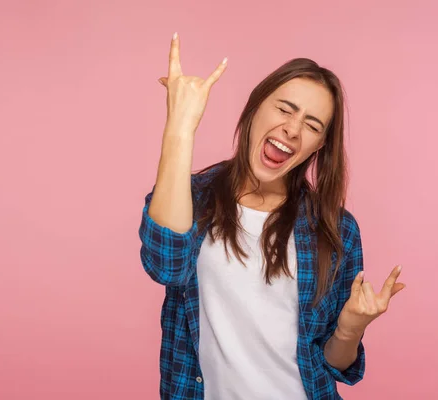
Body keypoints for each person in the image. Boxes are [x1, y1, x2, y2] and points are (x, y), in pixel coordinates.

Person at [139, 32, 406, 400]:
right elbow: (163, 265)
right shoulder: (193, 198)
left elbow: (335, 363)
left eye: (313, 126)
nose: (293, 130)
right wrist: (180, 127)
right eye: (284, 109)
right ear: (255, 106)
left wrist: (350, 328)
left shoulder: (335, 228)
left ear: (320, 145)